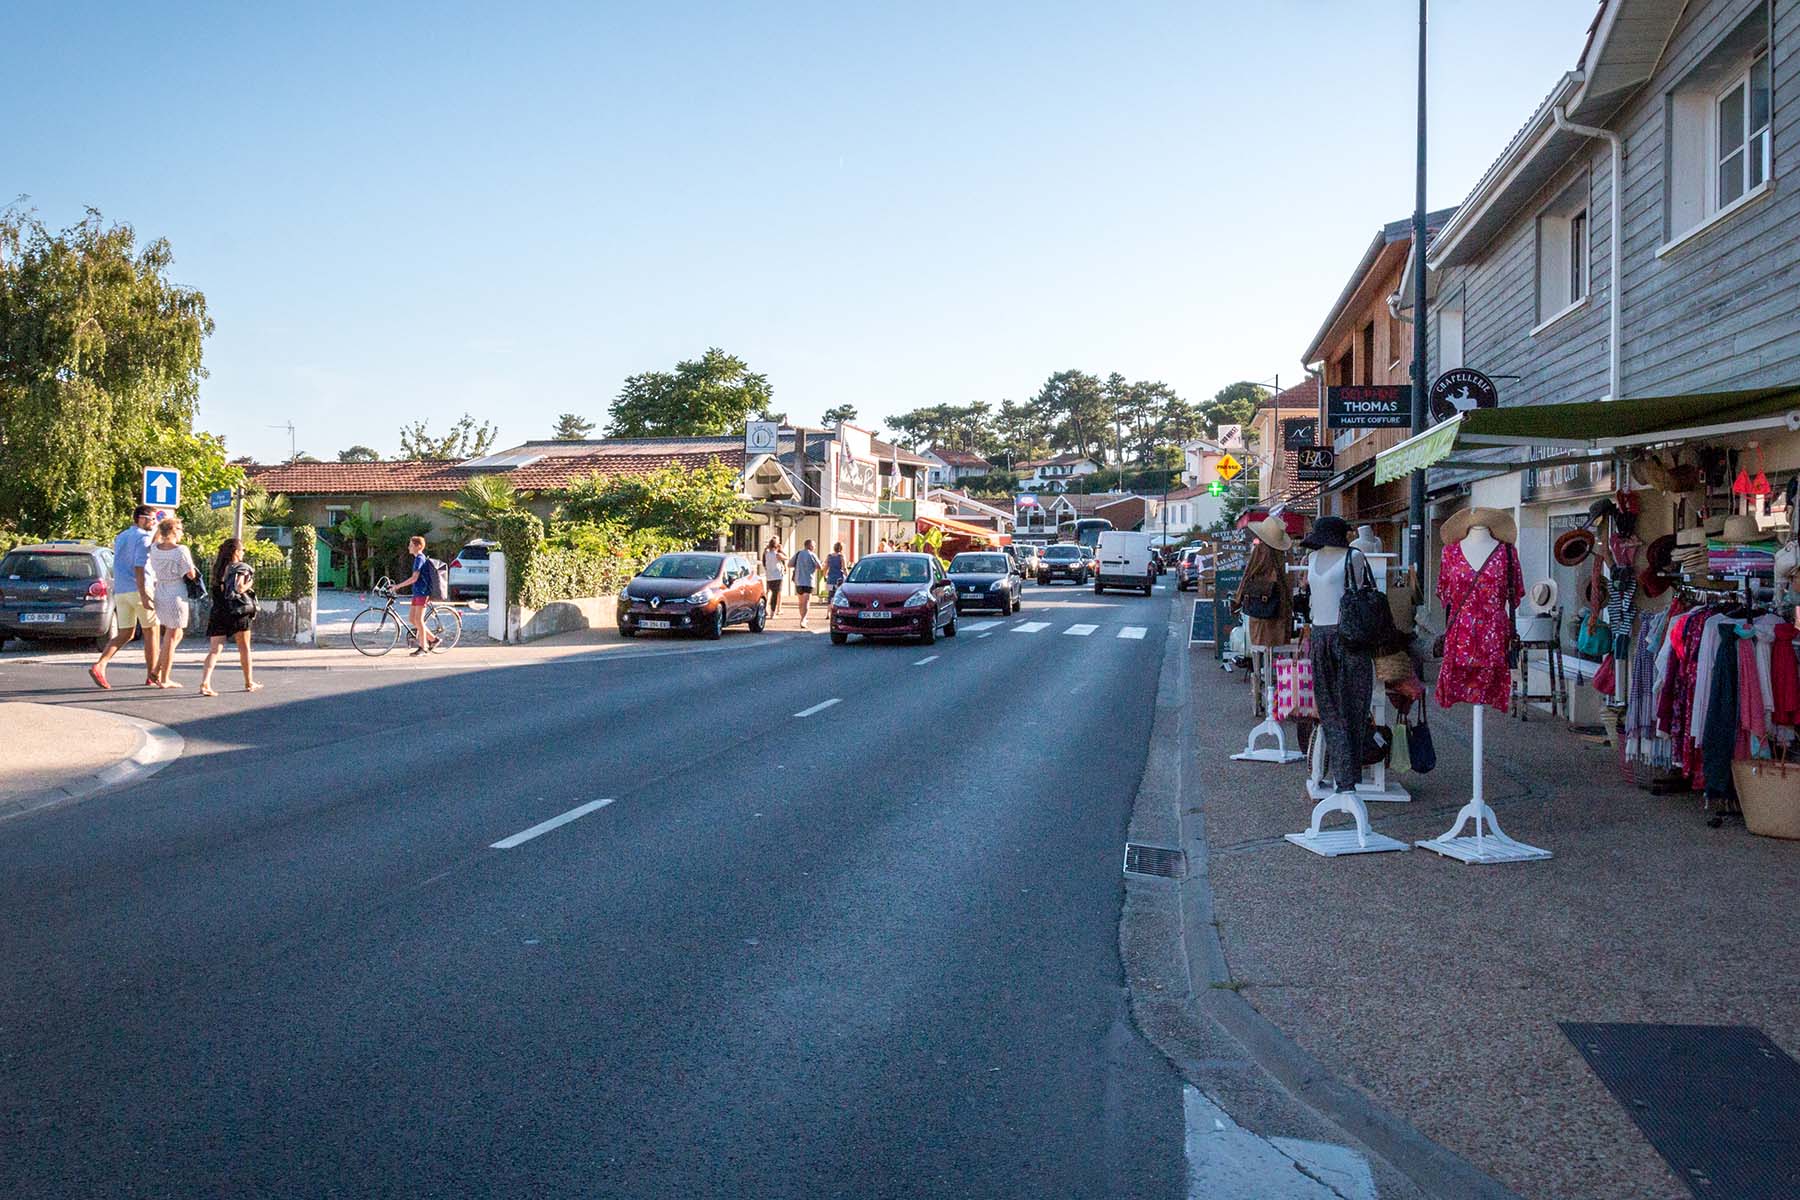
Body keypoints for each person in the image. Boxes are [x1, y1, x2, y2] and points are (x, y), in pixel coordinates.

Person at [91, 504, 160, 689]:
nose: (155, 523)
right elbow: (139, 566)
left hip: (121, 591)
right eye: (153, 519)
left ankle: (101, 664)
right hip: (140, 589)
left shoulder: (121, 536)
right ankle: (152, 675)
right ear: (141, 519)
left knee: (125, 633)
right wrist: (145, 594)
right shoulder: (144, 538)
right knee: (151, 631)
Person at [198, 538, 262, 696]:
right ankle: (249, 682)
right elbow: (239, 588)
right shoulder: (241, 567)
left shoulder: (218, 569)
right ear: (236, 552)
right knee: (244, 648)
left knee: (214, 650)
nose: (243, 553)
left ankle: (205, 683)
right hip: (237, 612)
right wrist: (250, 584)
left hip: (219, 612)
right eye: (242, 550)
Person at [146, 517, 198, 688]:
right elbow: (191, 574)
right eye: (180, 529)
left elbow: (154, 541)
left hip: (160, 590)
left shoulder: (155, 548)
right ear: (174, 531)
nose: (182, 532)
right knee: (171, 636)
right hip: (176, 593)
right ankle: (164, 677)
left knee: (175, 634)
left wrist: (158, 530)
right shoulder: (180, 550)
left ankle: (155, 671)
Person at [388, 535, 440, 656]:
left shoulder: (419, 559)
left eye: (411, 545)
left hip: (422, 592)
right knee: (412, 619)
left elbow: (414, 578)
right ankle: (433, 639)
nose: (408, 547)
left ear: (418, 546)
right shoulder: (418, 558)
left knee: (419, 620)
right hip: (417, 592)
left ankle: (423, 647)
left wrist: (398, 586)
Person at [790, 538, 821, 630]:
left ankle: (802, 618)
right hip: (808, 581)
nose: (814, 547)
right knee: (806, 601)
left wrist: (799, 565)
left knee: (800, 602)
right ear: (810, 546)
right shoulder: (812, 555)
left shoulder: (798, 553)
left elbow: (789, 564)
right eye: (814, 546)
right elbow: (819, 566)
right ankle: (803, 619)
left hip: (798, 581)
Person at [762, 535, 787, 618]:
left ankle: (766, 609)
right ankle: (773, 613)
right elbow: (786, 557)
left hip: (769, 576)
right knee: (775, 595)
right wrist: (782, 550)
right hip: (777, 576)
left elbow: (764, 561)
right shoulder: (777, 555)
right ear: (776, 546)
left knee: (769, 592)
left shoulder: (766, 553)